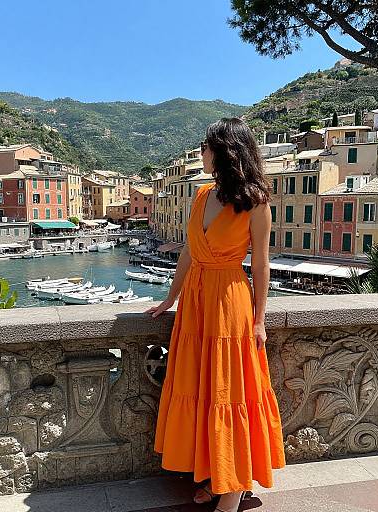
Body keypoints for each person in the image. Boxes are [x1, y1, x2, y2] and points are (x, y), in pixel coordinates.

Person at [146, 118, 285, 512]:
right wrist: (170, 299)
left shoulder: (256, 204)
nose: (202, 154)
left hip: (229, 304)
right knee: (204, 391)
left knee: (228, 392)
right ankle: (213, 474)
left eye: (206, 148)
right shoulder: (201, 196)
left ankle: (232, 487)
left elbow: (261, 265)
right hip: (195, 304)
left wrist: (259, 320)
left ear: (224, 152)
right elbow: (190, 252)